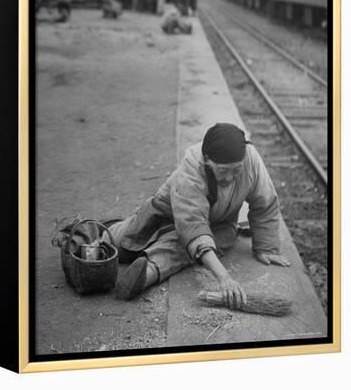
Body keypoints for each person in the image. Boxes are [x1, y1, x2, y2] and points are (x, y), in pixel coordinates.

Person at [105, 123, 290, 305]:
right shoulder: (193, 165)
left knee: (183, 247)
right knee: (122, 242)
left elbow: (265, 202)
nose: (229, 178)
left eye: (236, 170)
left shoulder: (250, 159)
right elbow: (192, 225)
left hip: (218, 224)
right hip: (164, 212)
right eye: (222, 170)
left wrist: (266, 247)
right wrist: (224, 277)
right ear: (207, 160)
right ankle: (91, 237)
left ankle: (146, 273)